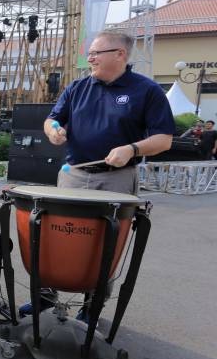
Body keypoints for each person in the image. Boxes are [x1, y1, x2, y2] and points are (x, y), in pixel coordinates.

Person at [28, 30, 175, 320]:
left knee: (106, 244)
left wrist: (132, 149)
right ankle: (45, 296)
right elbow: (52, 119)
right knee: (57, 237)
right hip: (73, 175)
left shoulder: (146, 91)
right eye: (90, 53)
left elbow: (164, 139)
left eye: (96, 53)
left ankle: (92, 306)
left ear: (120, 55)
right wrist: (53, 131)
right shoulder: (77, 87)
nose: (90, 58)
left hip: (116, 178)